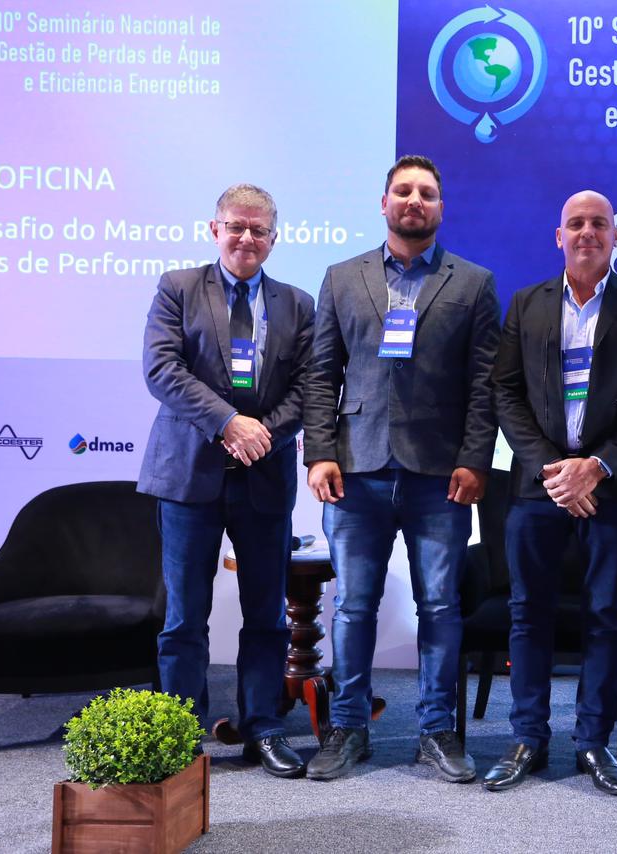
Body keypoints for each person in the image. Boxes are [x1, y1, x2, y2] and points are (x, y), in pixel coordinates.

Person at [300, 155, 500, 783]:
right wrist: (319, 451)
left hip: (439, 475)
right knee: (353, 607)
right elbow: (320, 373)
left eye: (427, 193)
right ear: (383, 202)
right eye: (404, 191)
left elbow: (485, 384)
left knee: (439, 606)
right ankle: (347, 727)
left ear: (441, 207)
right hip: (355, 469)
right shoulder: (341, 277)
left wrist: (475, 459)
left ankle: (437, 731)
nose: (415, 200)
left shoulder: (474, 283)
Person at [484, 190, 617, 795]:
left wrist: (597, 466)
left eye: (598, 223)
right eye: (576, 223)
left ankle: (594, 741)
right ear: (558, 236)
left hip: (612, 489)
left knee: (607, 615)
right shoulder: (527, 303)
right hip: (538, 488)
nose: (587, 232)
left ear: (615, 236)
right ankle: (528, 739)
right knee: (527, 614)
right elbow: (505, 391)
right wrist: (553, 470)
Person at [138, 183, 314, 778]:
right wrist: (227, 423)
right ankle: (180, 737)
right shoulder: (179, 288)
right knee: (185, 617)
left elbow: (310, 388)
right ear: (215, 230)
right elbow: (162, 369)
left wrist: (261, 433)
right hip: (189, 475)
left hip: (265, 475)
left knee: (266, 615)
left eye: (258, 229)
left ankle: (263, 728)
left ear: (274, 238)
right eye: (236, 226)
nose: (246, 238)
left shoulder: (297, 304)